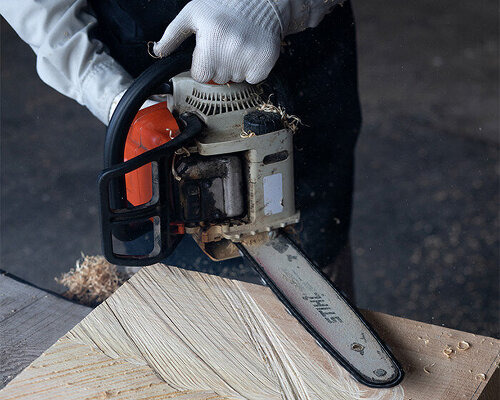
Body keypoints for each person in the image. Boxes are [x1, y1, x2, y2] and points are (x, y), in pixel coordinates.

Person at [1, 0, 361, 299]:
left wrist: (270, 5)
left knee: (311, 249)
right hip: (144, 59)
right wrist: (113, 94)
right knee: (166, 303)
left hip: (298, 55)